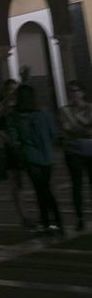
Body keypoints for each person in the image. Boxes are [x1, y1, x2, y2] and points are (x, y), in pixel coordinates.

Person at [6, 85, 61, 234]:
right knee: (45, 189)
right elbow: (54, 134)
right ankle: (55, 222)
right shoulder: (44, 114)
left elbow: (14, 138)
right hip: (46, 157)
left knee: (41, 190)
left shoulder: (16, 117)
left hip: (32, 157)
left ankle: (49, 222)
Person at [0, 78, 33, 228]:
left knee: (36, 179)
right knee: (16, 184)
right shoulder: (0, 108)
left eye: (15, 89)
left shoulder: (21, 105)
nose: (12, 92)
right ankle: (24, 216)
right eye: (9, 89)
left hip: (27, 146)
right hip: (12, 149)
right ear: (4, 91)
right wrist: (10, 141)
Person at [60, 80, 92, 231]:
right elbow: (68, 129)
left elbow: (87, 131)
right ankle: (79, 218)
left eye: (75, 90)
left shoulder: (90, 108)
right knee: (76, 185)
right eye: (70, 91)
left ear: (82, 92)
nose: (73, 94)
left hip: (90, 150)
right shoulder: (64, 110)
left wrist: (78, 127)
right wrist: (84, 127)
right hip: (73, 152)